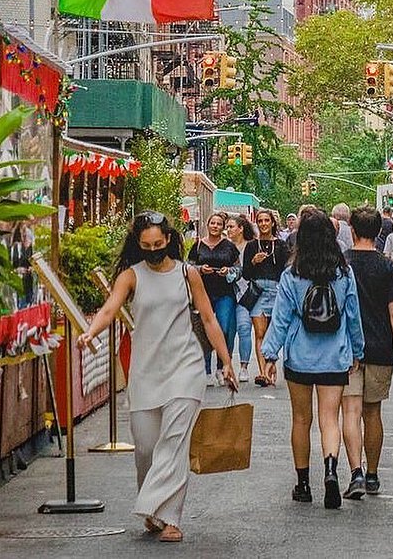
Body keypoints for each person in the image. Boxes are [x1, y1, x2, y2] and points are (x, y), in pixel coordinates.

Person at [77, 211, 237, 542]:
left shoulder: (187, 273)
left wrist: (226, 361)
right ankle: (153, 509)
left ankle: (170, 517)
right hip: (145, 371)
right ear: (138, 245)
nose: (153, 250)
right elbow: (109, 309)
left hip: (186, 368)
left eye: (159, 244)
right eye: (146, 245)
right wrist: (90, 332)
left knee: (173, 445)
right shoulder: (130, 277)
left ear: (169, 240)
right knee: (147, 449)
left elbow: (208, 319)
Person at [261, 209, 364, 509]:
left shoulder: (291, 275)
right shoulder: (344, 274)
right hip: (334, 356)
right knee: (329, 418)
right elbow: (353, 316)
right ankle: (331, 471)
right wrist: (357, 351)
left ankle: (303, 483)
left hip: (299, 358)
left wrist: (269, 354)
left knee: (301, 419)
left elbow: (280, 319)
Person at [341, 207, 393, 499]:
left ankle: (355, 472)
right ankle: (372, 474)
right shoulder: (389, 269)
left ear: (352, 230)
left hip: (346, 351)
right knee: (373, 413)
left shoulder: (341, 264)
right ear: (378, 232)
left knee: (351, 410)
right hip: (381, 348)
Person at [188, 212, 240, 387]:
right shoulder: (197, 246)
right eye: (213, 223)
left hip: (224, 292)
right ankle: (206, 369)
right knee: (203, 331)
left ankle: (221, 366)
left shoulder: (229, 247)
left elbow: (238, 268)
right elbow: (188, 267)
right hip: (202, 292)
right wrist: (200, 269)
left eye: (219, 224)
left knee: (224, 328)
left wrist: (229, 271)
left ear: (223, 227)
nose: (215, 226)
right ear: (207, 225)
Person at [242, 208, 289, 386]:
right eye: (260, 221)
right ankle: (263, 373)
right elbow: (246, 273)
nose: (263, 224)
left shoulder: (282, 246)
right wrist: (254, 262)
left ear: (272, 223)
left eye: (266, 221)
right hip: (259, 290)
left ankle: (272, 364)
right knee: (260, 333)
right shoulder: (252, 246)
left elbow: (286, 271)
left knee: (273, 332)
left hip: (276, 290)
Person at [225, 214, 256, 383]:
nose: (228, 230)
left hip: (247, 292)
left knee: (244, 328)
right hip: (228, 292)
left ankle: (244, 366)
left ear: (241, 228)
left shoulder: (251, 246)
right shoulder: (225, 246)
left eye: (231, 227)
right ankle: (226, 364)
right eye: (227, 227)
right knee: (228, 331)